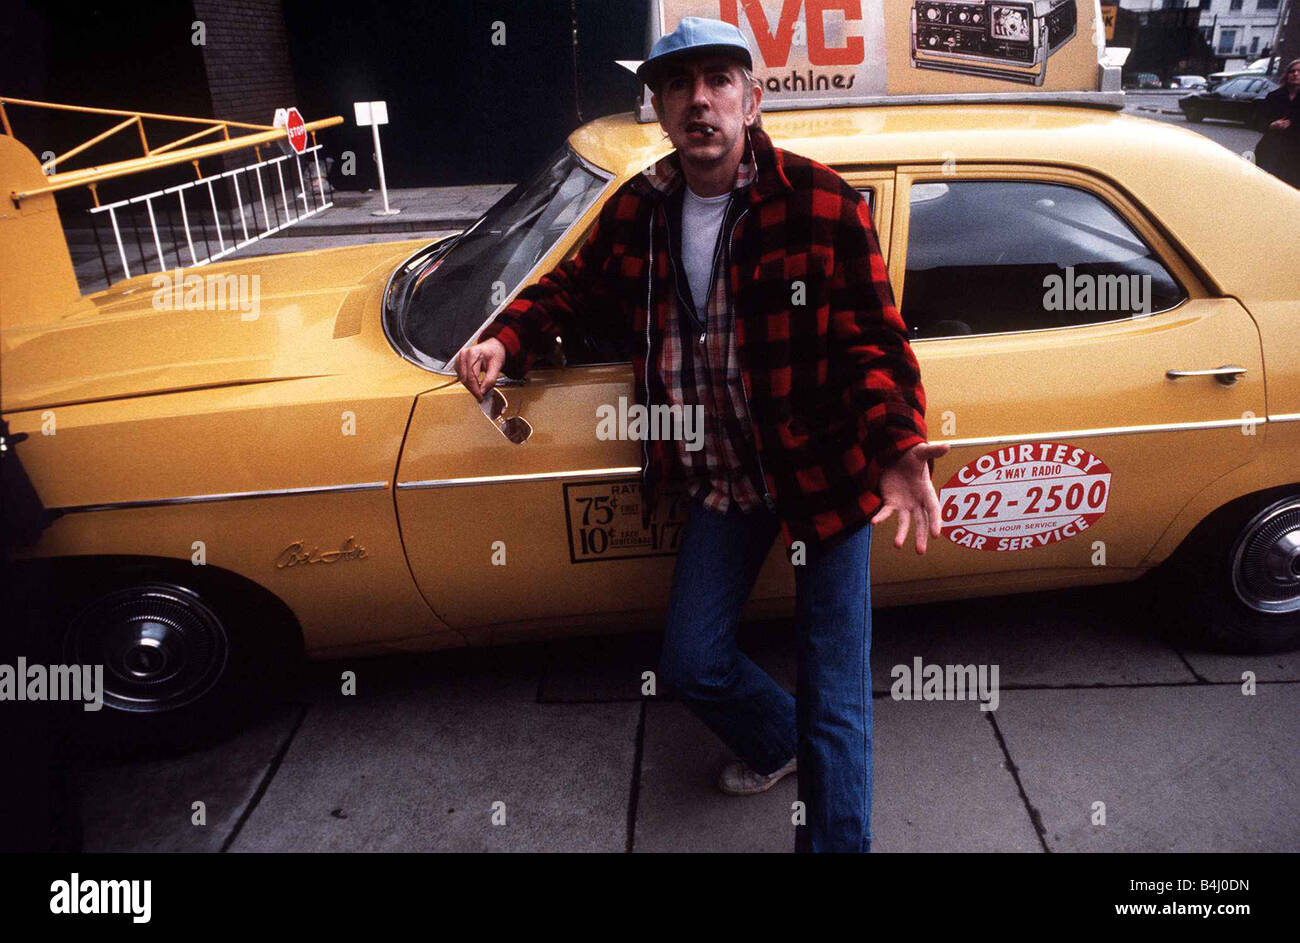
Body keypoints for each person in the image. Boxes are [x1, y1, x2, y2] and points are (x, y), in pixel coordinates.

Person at [455, 16, 947, 852]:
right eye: (678, 85)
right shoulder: (643, 208)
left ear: (751, 100)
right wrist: (508, 334)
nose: (699, 100)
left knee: (835, 694)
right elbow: (571, 286)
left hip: (822, 474)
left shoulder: (820, 201)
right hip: (722, 479)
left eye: (718, 81)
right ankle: (775, 741)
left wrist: (897, 445)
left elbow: (875, 341)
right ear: (659, 105)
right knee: (690, 663)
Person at [1256, 59, 1300, 188]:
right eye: (1292, 71)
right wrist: (1272, 125)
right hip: (1271, 149)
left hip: (1295, 153)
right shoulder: (1274, 96)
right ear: (1286, 75)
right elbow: (1258, 121)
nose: (1296, 74)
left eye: (1299, 71)